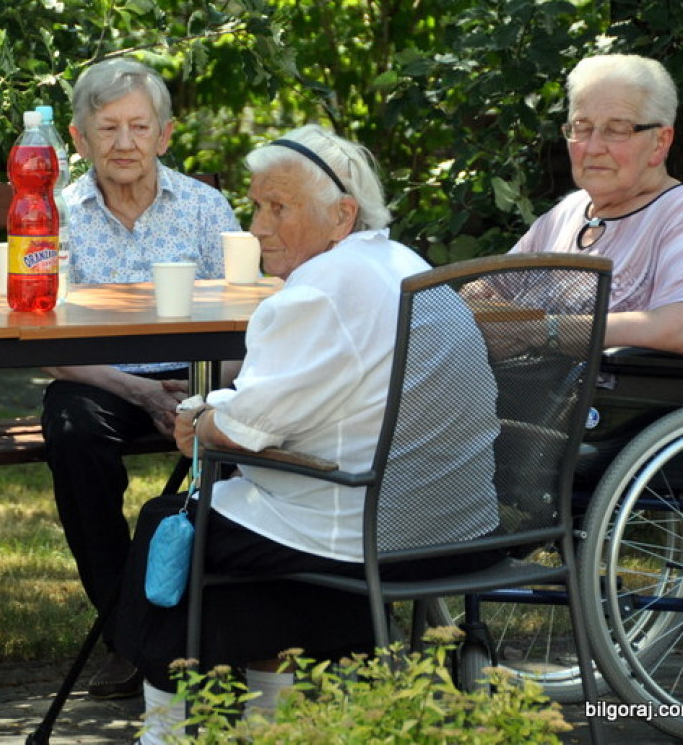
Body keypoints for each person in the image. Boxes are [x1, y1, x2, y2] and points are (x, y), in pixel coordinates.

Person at [107, 125, 503, 743]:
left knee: (175, 524)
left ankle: (168, 731)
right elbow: (305, 400)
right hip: (462, 530)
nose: (258, 227)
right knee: (233, 527)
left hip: (371, 534)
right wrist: (217, 417)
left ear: (342, 214)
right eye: (257, 206)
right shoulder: (402, 263)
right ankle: (273, 722)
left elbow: (245, 426)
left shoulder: (322, 288)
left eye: (278, 208)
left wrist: (200, 421)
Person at [39, 58, 240, 699]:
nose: (124, 143)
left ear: (165, 134)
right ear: (79, 138)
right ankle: (130, 636)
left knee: (248, 437)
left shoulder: (205, 208)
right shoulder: (55, 214)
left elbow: (252, 323)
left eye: (139, 126)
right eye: (107, 128)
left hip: (202, 374)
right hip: (102, 380)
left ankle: (225, 631)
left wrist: (208, 386)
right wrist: (139, 391)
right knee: (70, 430)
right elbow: (45, 344)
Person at [511, 53, 683, 354]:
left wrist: (542, 331)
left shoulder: (675, 213)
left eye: (616, 130)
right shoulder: (566, 213)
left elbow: (676, 327)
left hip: (616, 386)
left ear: (660, 142)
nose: (592, 148)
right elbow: (485, 290)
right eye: (582, 127)